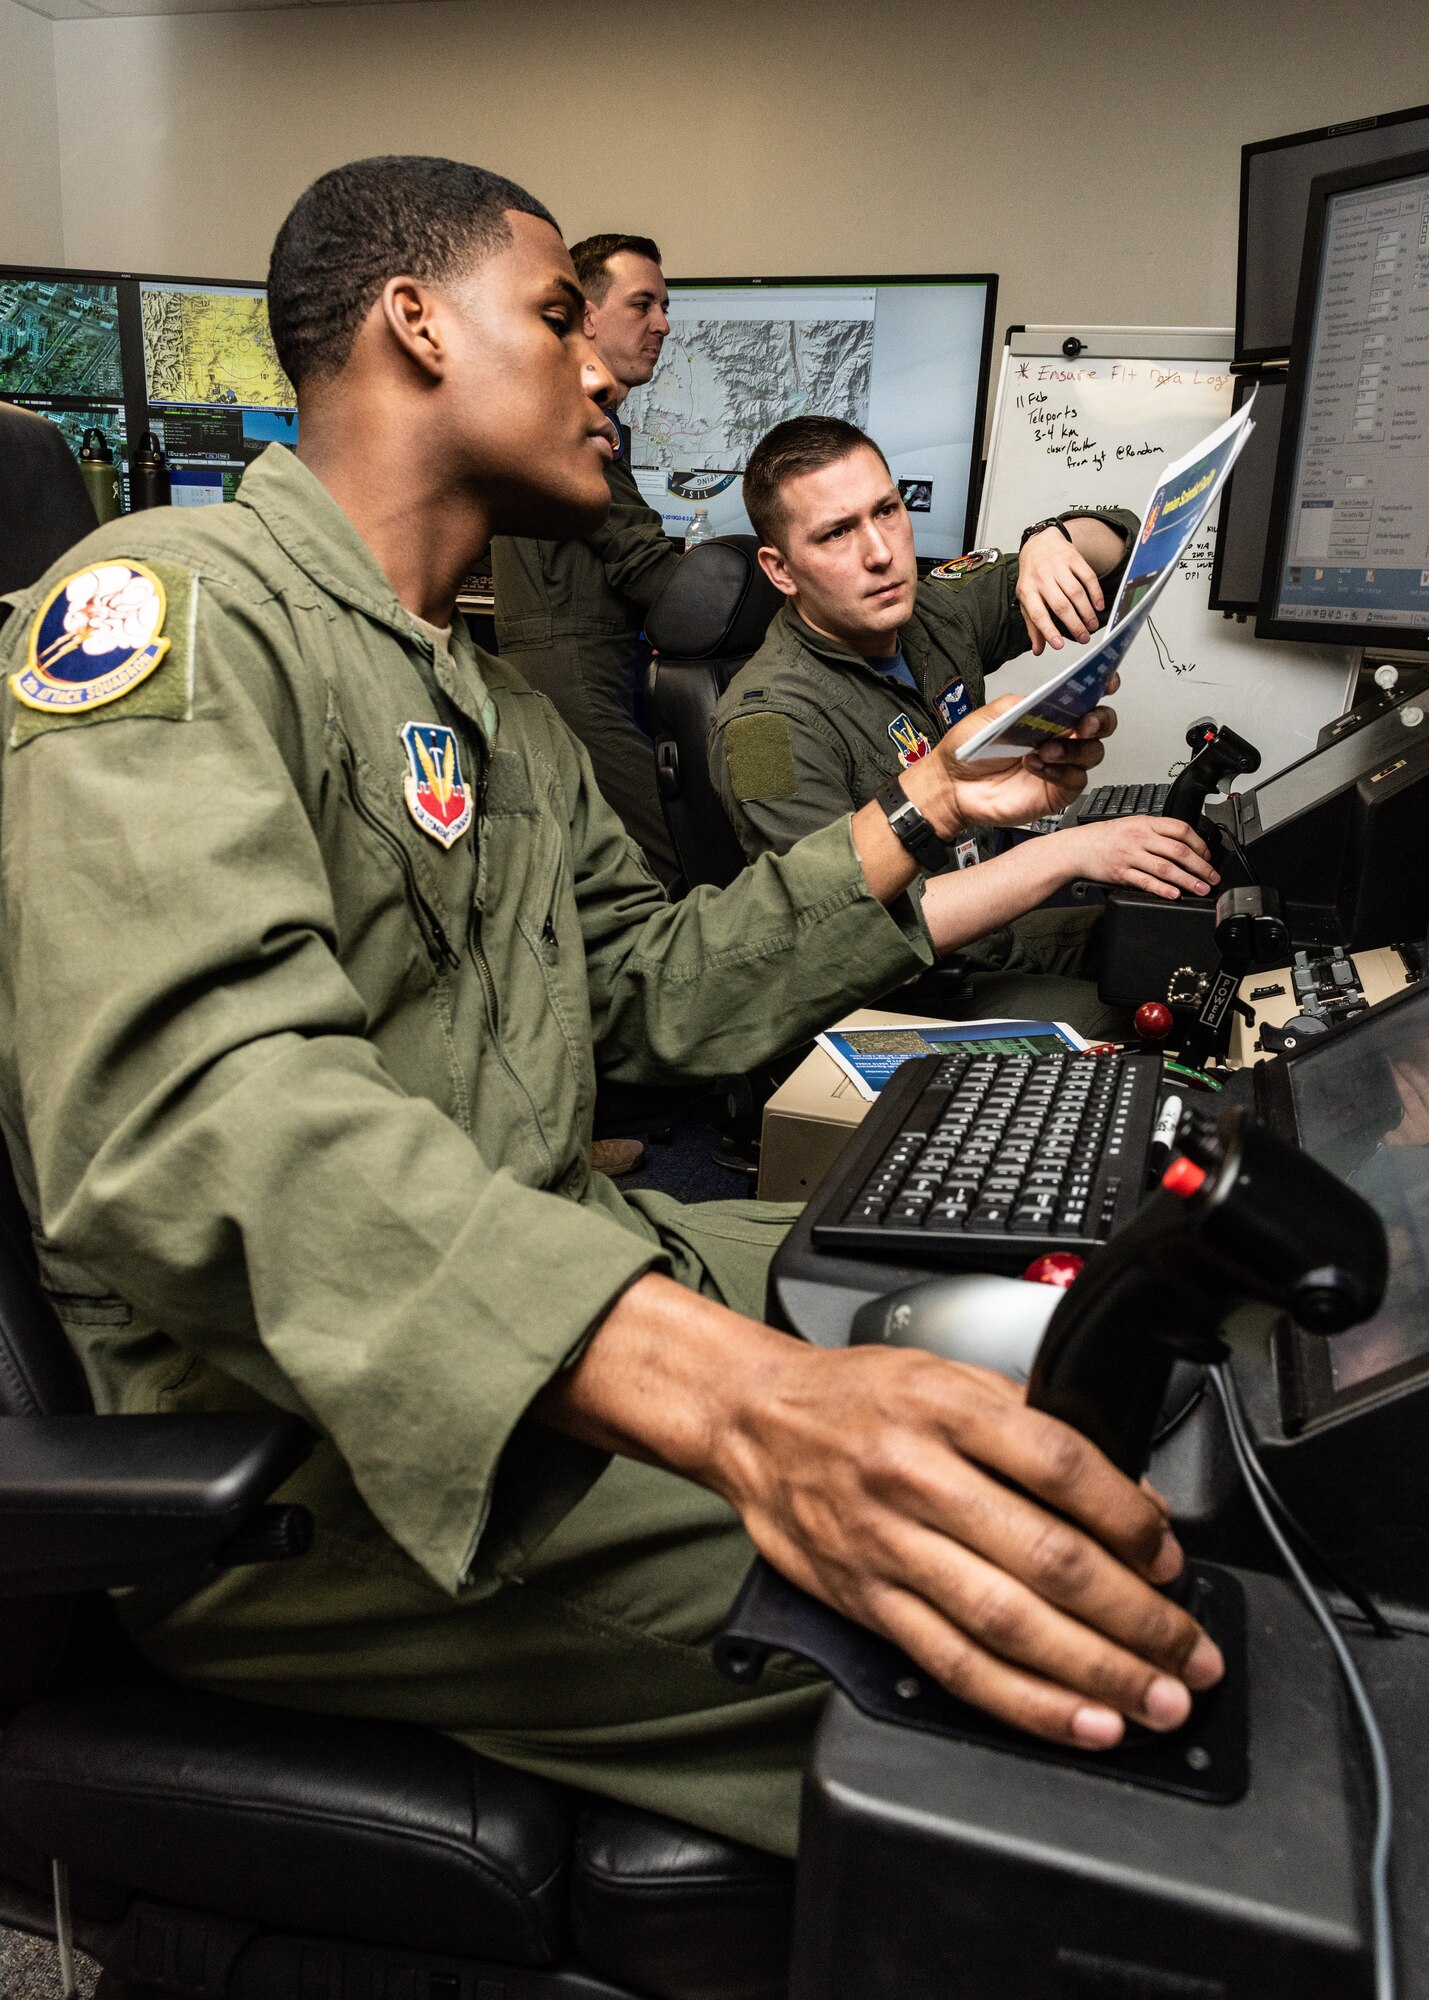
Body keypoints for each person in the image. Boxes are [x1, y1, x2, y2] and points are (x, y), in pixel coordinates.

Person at [0, 157, 1222, 1864]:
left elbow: (650, 991)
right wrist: (742, 1401)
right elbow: (202, 1122)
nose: (606, 369)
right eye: (563, 314)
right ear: (414, 323)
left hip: (554, 1260)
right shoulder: (171, 615)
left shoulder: (481, 701)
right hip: (306, 1449)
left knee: (1117, 1349)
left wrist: (932, 805)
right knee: (1054, 1656)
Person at [708, 416, 1218, 1036]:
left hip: (987, 940)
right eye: (837, 533)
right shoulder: (761, 728)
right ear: (780, 568)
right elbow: (841, 928)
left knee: (1190, 943)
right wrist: (1071, 852)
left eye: (887, 510)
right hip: (901, 999)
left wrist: (1048, 543)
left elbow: (1124, 546)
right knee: (1129, 1035)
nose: (880, 552)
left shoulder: (932, 611)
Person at [489, 231, 682, 883]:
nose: (661, 324)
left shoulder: (582, 412)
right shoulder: (569, 412)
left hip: (586, 661)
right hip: (573, 673)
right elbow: (642, 563)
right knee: (668, 860)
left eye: (664, 308)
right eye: (642, 305)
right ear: (587, 316)